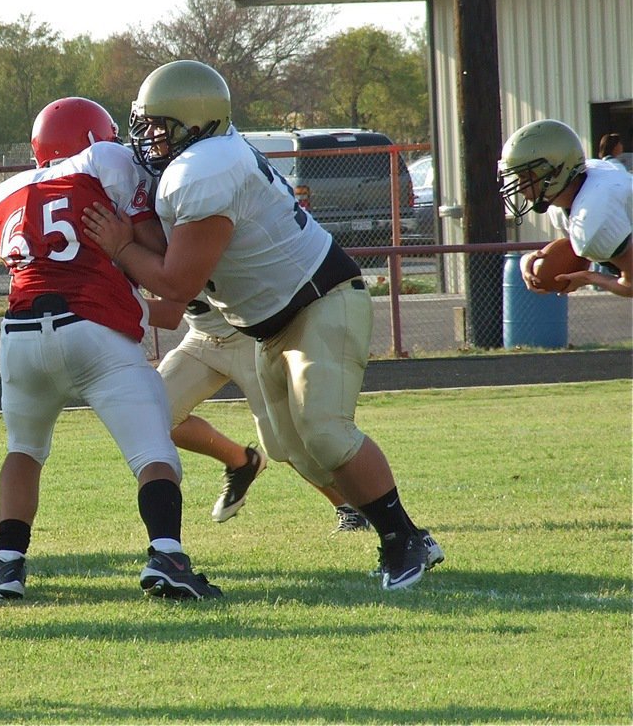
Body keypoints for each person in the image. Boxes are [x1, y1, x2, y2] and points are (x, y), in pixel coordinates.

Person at [81, 61, 441, 591]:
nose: (150, 137)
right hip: (266, 324)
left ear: (197, 121)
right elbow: (172, 256)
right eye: (146, 124)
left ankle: (405, 539)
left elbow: (177, 283)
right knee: (288, 447)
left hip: (319, 301)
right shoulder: (203, 159)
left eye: (161, 125)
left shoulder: (204, 169)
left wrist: (119, 247)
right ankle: (397, 533)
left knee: (325, 430)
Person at [0, 96, 222, 602]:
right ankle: (167, 556)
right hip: (92, 329)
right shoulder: (107, 160)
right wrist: (129, 246)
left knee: (23, 450)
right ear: (94, 137)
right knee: (154, 452)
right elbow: (157, 252)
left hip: (19, 336)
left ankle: (6, 567)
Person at [149, 293, 371, 533]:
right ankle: (241, 462)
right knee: (153, 414)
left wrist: (122, 301)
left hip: (249, 338)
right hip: (201, 338)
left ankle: (351, 506)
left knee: (282, 441)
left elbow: (170, 311)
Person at [501, 119, 632, 299]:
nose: (520, 186)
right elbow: (578, 245)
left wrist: (589, 277)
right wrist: (529, 259)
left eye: (526, 176)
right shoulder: (571, 199)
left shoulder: (594, 213)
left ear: (556, 171)